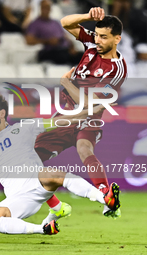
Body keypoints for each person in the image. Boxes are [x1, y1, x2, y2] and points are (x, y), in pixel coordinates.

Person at [0, 92, 121, 235]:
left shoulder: (24, 127)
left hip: (39, 182)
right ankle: (42, 229)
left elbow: (62, 121)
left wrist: (94, 109)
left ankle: (105, 199)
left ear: (1, 112)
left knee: (52, 173)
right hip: (18, 198)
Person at [35, 7, 127, 222]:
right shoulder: (92, 45)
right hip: (66, 113)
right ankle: (60, 206)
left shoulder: (116, 70)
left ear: (117, 39)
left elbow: (87, 103)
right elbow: (66, 23)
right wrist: (88, 17)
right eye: (96, 35)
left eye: (104, 37)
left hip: (88, 115)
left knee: (84, 148)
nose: (98, 40)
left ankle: (105, 194)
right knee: (31, 158)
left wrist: (66, 82)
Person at [25, 0, 83, 65]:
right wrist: (48, 41)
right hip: (49, 50)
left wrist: (72, 47)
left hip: (64, 49)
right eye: (44, 7)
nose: (46, 10)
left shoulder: (56, 23)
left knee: (84, 56)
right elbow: (29, 40)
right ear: (40, 8)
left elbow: (65, 36)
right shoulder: (35, 24)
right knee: (62, 56)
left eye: (48, 7)